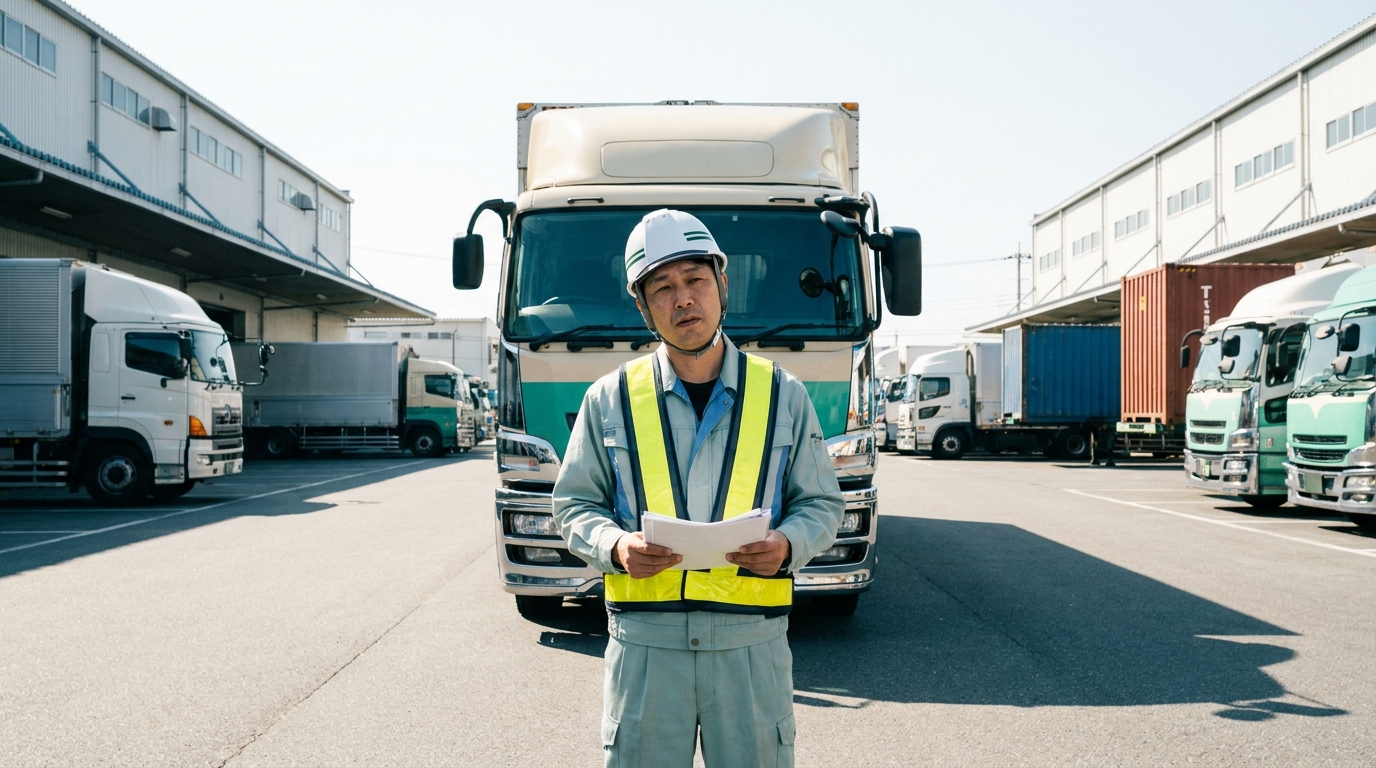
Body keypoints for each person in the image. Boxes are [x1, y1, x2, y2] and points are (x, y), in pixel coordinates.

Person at [553, 209, 845, 768]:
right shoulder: (608, 398)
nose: (683, 299)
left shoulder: (785, 394)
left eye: (696, 280)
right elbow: (573, 505)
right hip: (645, 649)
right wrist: (615, 547)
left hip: (751, 651)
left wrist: (787, 546)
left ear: (722, 284)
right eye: (662, 287)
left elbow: (821, 503)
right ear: (642, 307)